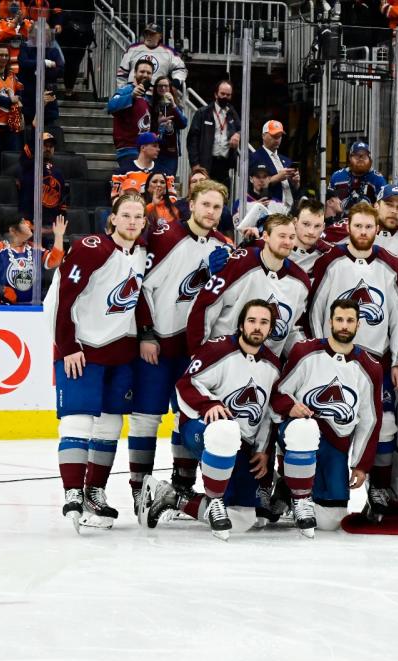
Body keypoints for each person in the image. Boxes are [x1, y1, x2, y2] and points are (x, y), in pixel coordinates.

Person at [138, 300, 282, 539]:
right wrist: (209, 405)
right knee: (224, 431)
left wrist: (263, 450)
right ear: (241, 324)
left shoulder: (273, 366)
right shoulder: (219, 349)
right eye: (252, 321)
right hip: (202, 429)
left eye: (264, 322)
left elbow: (268, 413)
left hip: (242, 445)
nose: (257, 327)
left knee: (243, 519)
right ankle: (213, 499)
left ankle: (174, 497)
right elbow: (185, 384)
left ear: (270, 328)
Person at [129, 179, 233, 511]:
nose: (211, 212)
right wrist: (146, 332)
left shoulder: (223, 246)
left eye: (217, 207)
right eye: (206, 204)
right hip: (158, 344)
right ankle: (139, 486)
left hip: (195, 352)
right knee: (146, 416)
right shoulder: (165, 238)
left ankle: (182, 486)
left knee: (186, 416)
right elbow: (140, 287)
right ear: (191, 204)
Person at [306, 202, 398, 517]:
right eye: (358, 226)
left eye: (369, 227)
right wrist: (319, 352)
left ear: (377, 230)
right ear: (348, 227)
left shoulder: (391, 264)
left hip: (375, 362)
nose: (364, 232)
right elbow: (316, 309)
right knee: (328, 420)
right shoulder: (330, 261)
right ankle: (317, 487)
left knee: (385, 425)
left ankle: (378, 489)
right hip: (333, 358)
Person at [46, 193, 147, 531]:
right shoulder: (93, 248)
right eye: (127, 215)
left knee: (110, 426)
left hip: (120, 352)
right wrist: (68, 344)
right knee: (77, 421)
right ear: (113, 219)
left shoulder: (141, 253)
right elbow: (63, 296)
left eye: (139, 216)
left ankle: (94, 492)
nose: (133, 221)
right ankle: (72, 492)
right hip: (82, 349)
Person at [270, 299, 387, 535]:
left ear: (358, 325)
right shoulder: (305, 352)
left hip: (336, 445)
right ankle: (293, 485)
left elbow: (370, 419)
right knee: (305, 430)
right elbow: (278, 394)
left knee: (331, 521)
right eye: (339, 320)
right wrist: (291, 407)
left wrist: (361, 465)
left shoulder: (370, 367)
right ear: (330, 322)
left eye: (350, 321)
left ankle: (294, 486)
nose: (344, 325)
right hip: (301, 436)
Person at [186, 214, 311, 357]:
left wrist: (304, 359)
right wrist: (198, 354)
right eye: (282, 236)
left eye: (291, 237)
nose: (287, 242)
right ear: (266, 236)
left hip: (263, 369)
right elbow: (203, 307)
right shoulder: (240, 264)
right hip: (224, 358)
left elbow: (291, 331)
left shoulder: (301, 282)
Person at [0, 213, 64, 305]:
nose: (28, 224)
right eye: (23, 222)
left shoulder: (34, 247)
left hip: (32, 307)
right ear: (13, 230)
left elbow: (54, 261)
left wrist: (58, 235)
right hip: (5, 308)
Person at [185, 80, 241, 188]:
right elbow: (192, 140)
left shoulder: (232, 112)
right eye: (222, 94)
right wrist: (195, 164)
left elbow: (241, 128)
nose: (225, 97)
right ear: (216, 94)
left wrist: (237, 134)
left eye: (228, 95)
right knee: (204, 194)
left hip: (224, 164)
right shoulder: (203, 113)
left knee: (223, 196)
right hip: (205, 163)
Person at [106, 57, 154, 163]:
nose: (145, 75)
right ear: (135, 73)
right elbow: (111, 106)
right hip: (128, 150)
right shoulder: (126, 90)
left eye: (149, 73)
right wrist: (131, 95)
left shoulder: (148, 97)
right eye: (142, 71)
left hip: (144, 150)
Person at [115, 23, 187, 90]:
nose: (148, 36)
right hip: (133, 92)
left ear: (160, 36)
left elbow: (181, 69)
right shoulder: (133, 49)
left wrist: (176, 82)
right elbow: (122, 73)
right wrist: (123, 91)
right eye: (146, 33)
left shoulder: (169, 52)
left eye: (152, 34)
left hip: (156, 94)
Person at [249, 120, 300, 210]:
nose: (277, 139)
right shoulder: (255, 158)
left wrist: (295, 182)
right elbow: (251, 187)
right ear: (263, 136)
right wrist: (277, 177)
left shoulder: (286, 160)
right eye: (274, 136)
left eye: (279, 136)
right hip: (269, 208)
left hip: (290, 209)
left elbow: (295, 189)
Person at [328, 141, 390, 212]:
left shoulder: (377, 179)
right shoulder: (337, 176)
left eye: (364, 156)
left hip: (368, 221)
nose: (361, 159)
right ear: (350, 158)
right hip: (340, 221)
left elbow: (384, 206)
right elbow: (329, 204)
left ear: (370, 160)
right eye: (357, 156)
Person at [111, 132, 172, 199]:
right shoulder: (122, 173)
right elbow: (115, 200)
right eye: (154, 146)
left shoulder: (166, 173)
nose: (158, 149)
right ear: (143, 148)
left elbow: (172, 199)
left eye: (158, 146)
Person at [149, 75, 187, 176]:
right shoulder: (151, 105)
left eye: (166, 86)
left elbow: (183, 124)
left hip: (171, 151)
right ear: (156, 88)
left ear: (170, 88)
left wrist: (173, 104)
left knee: (169, 181)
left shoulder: (176, 106)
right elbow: (147, 127)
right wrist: (158, 123)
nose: (163, 88)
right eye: (160, 86)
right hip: (154, 150)